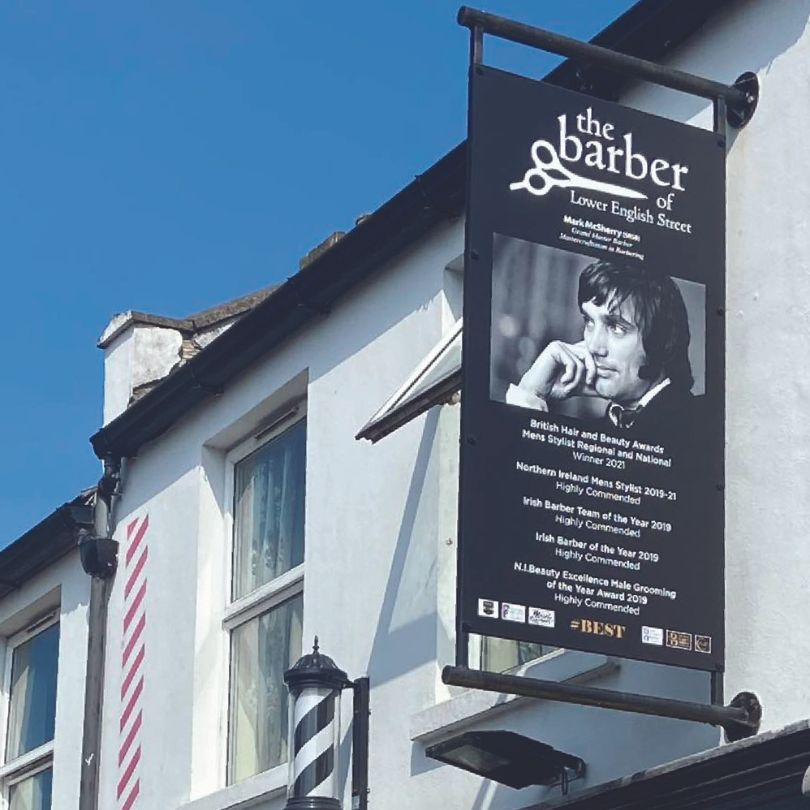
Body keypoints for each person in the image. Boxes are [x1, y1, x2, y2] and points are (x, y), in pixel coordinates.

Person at [505, 259, 702, 436]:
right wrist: (531, 394)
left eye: (616, 327)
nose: (594, 346)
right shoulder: (594, 431)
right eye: (589, 322)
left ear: (662, 341)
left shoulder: (702, 427)